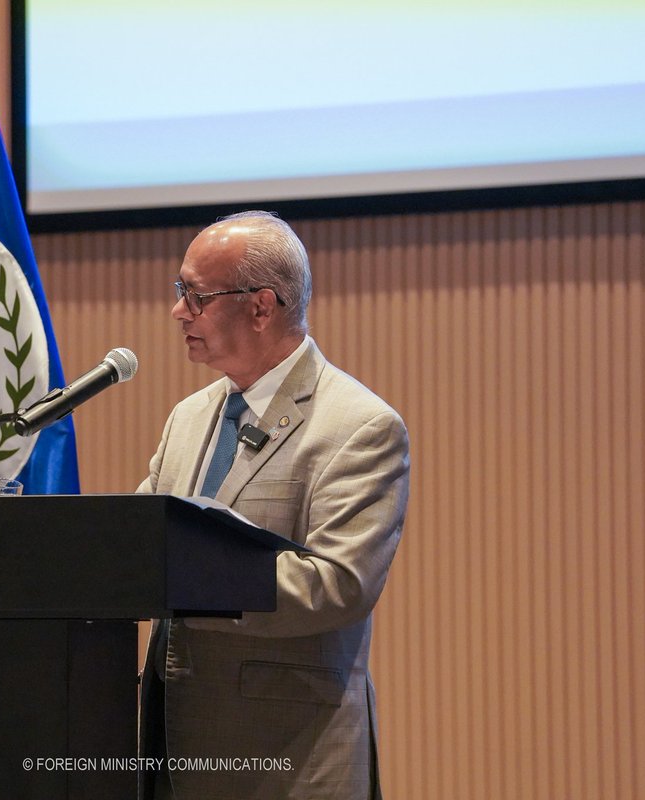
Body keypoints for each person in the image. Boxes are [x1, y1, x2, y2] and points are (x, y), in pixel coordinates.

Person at [138, 211, 410, 800]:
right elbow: (135, 541)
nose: (179, 310)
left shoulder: (358, 426)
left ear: (262, 307)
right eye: (179, 290)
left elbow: (337, 584)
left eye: (196, 295)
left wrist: (183, 577)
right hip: (174, 750)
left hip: (287, 760)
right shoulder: (189, 418)